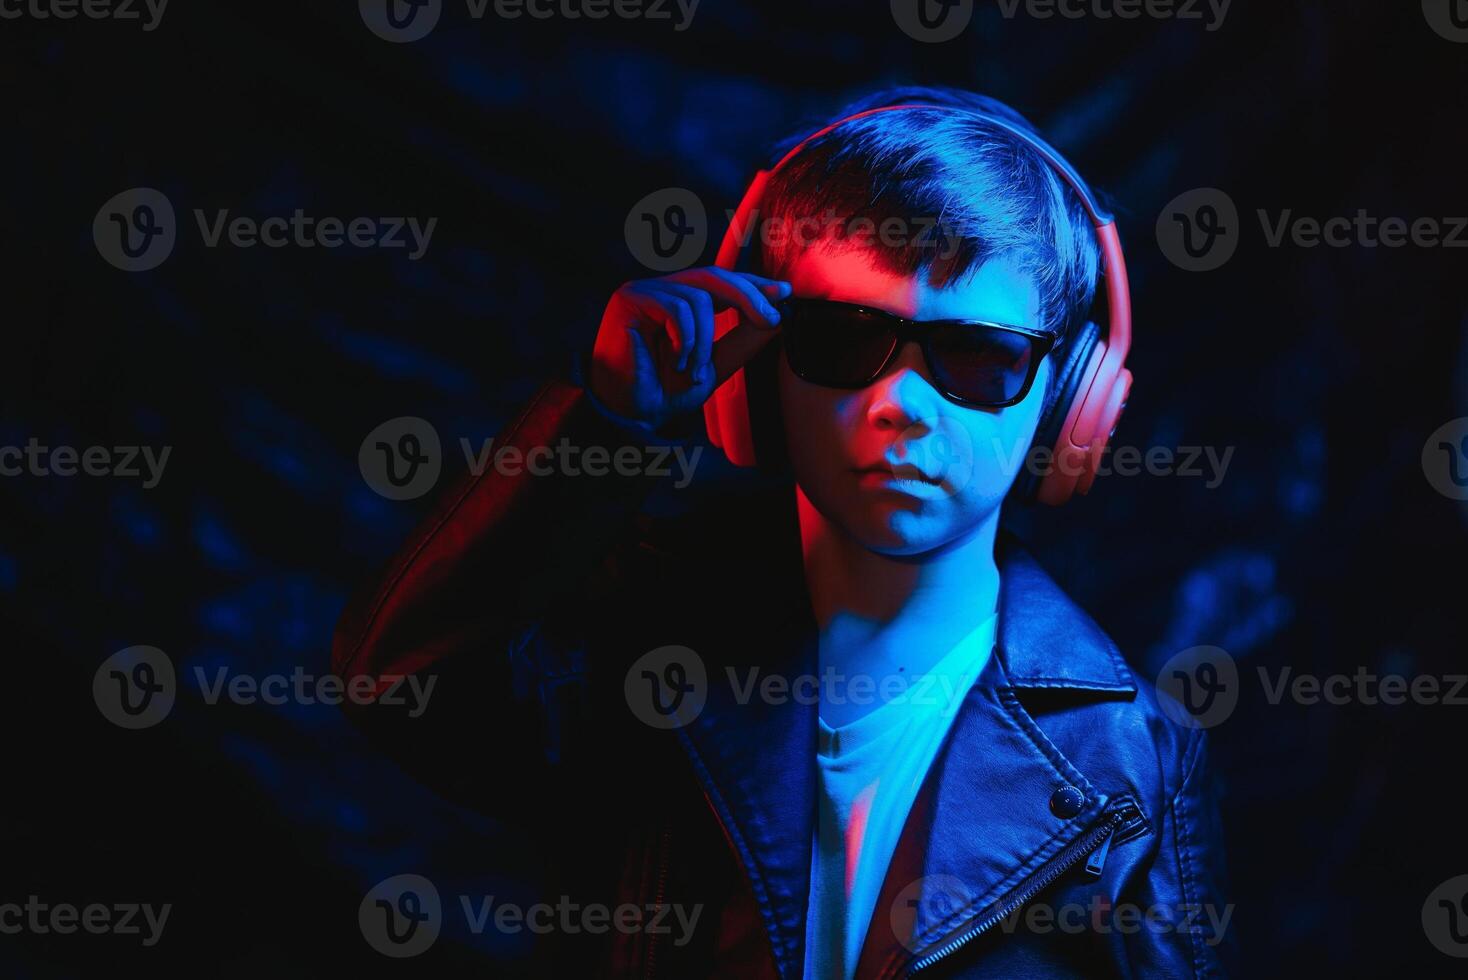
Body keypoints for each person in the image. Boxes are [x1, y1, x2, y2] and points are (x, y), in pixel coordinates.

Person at [332, 84, 1234, 977]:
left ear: (1071, 400)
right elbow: (407, 684)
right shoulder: (642, 639)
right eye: (843, 340)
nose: (900, 405)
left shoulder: (1130, 755)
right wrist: (599, 426)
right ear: (756, 375)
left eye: (975, 356)